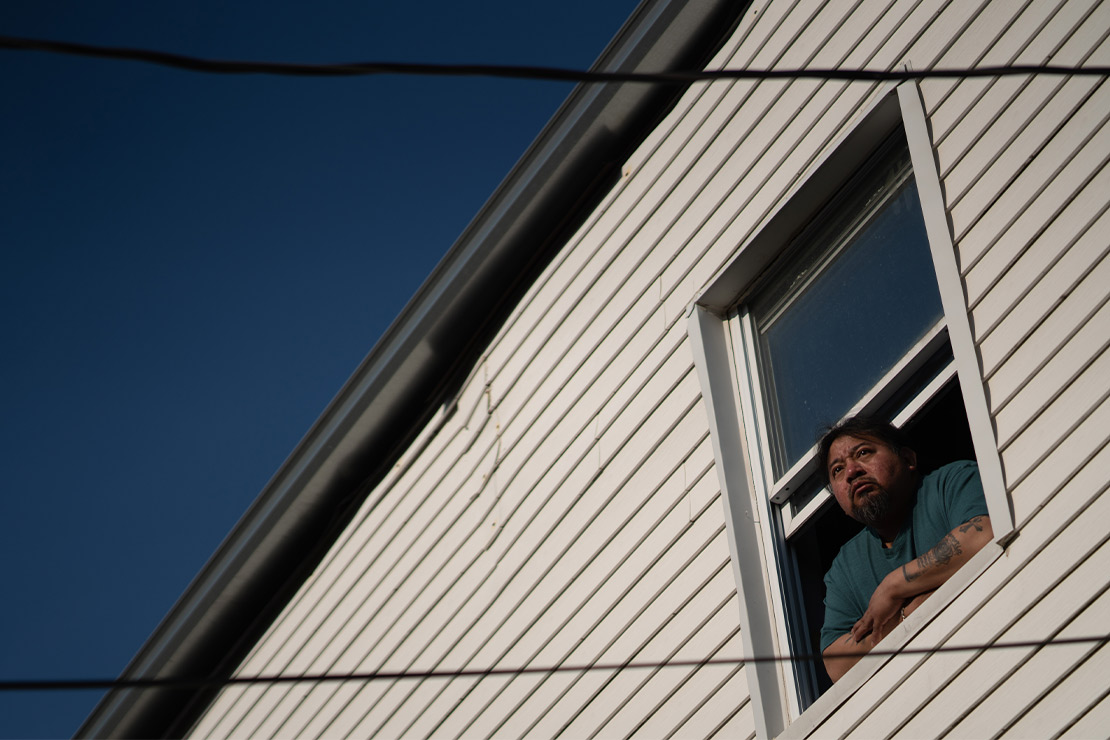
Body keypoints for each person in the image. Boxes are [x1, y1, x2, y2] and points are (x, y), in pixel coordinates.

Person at [818, 416, 992, 682]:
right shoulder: (845, 566)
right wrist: (906, 614)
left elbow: (983, 535)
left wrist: (894, 587)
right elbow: (837, 664)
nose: (852, 472)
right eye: (837, 470)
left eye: (863, 453)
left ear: (909, 459)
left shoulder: (952, 482)